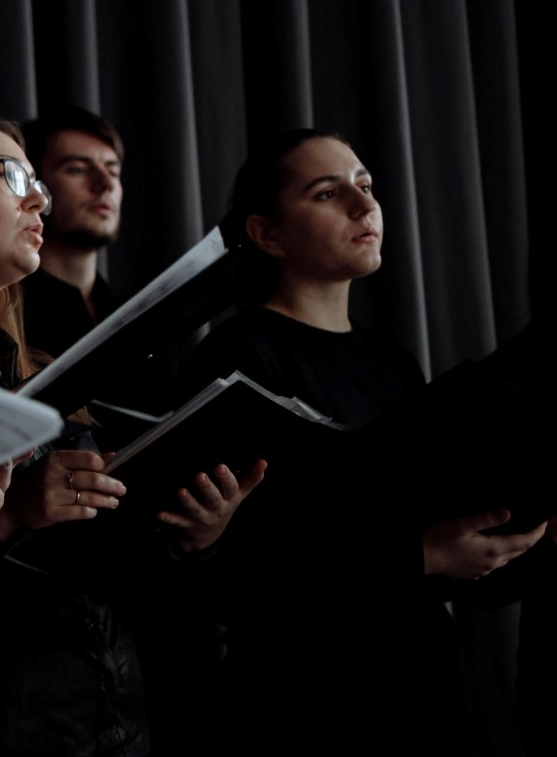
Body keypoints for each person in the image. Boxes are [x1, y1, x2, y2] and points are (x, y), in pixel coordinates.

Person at [0, 110, 260, 756]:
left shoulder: (50, 379)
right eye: (10, 173)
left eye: (36, 181)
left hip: (119, 723)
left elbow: (120, 576)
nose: (37, 197)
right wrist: (12, 516)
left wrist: (194, 541)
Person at [184, 129, 548, 755]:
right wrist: (421, 558)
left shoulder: (391, 362)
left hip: (423, 692)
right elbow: (247, 568)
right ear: (267, 234)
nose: (363, 206)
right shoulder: (238, 357)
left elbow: (422, 520)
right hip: (308, 707)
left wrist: (508, 538)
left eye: (366, 185)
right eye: (328, 193)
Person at [20, 106, 125, 356]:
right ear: (33, 186)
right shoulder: (3, 316)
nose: (106, 185)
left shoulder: (136, 317)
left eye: (113, 171)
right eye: (77, 169)